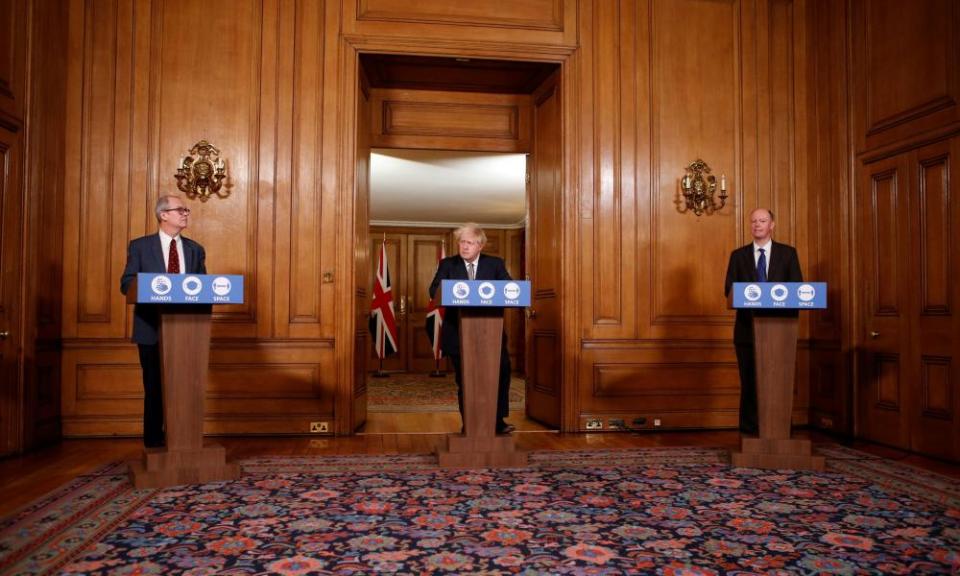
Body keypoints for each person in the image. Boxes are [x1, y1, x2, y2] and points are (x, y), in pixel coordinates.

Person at [120, 195, 206, 447]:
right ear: (163, 215)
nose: (185, 214)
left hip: (188, 330)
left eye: (186, 210)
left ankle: (186, 441)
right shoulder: (139, 247)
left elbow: (203, 287)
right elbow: (126, 284)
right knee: (155, 388)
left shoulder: (195, 249)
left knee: (186, 387)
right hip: (151, 329)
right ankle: (155, 444)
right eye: (180, 210)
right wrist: (149, 288)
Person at [429, 223, 515, 435]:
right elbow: (434, 290)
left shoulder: (495, 264)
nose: (464, 246)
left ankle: (497, 421)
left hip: (491, 336)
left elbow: (511, 289)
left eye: (469, 242)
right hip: (458, 335)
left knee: (500, 374)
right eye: (461, 242)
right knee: (467, 381)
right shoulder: (448, 264)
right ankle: (471, 423)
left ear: (480, 245)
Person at [723, 208, 802, 435]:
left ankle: (779, 429)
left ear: (772, 225)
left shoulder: (788, 254)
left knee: (778, 384)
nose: (757, 225)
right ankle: (749, 431)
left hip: (781, 332)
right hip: (748, 332)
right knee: (750, 383)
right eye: (754, 221)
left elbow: (797, 288)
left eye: (762, 220)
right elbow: (728, 289)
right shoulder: (738, 256)